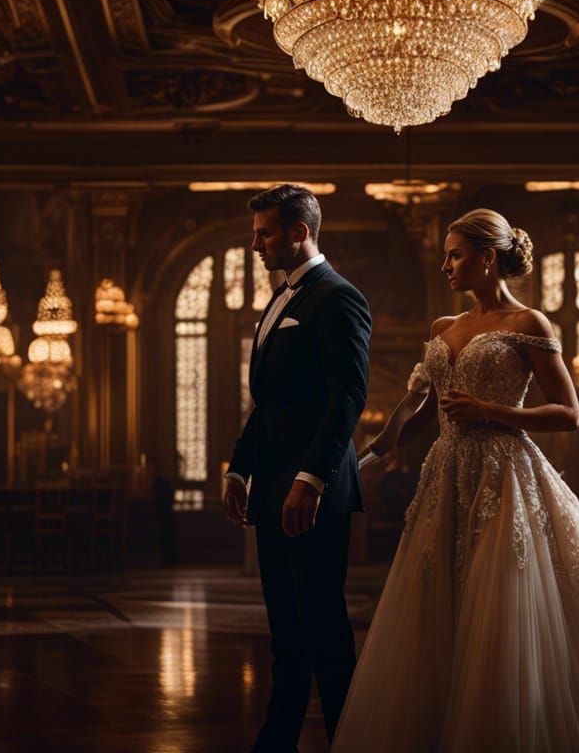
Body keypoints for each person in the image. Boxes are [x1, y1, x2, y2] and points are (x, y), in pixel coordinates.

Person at [334, 208, 579, 752]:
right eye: (445, 255)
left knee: (499, 600)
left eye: (455, 254)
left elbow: (568, 413)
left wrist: (492, 412)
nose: (446, 265)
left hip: (504, 471)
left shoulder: (529, 325)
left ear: (487, 257)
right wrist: (367, 456)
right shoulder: (442, 328)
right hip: (445, 474)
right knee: (441, 598)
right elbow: (422, 409)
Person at [220, 184, 371, 752]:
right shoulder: (280, 298)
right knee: (286, 628)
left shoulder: (337, 297)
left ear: (298, 233)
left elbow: (348, 395)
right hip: (272, 485)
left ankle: (350, 739)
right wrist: (239, 469)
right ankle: (277, 740)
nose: (255, 242)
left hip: (312, 490)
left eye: (264, 233)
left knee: (324, 628)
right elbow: (271, 402)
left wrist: (312, 477)